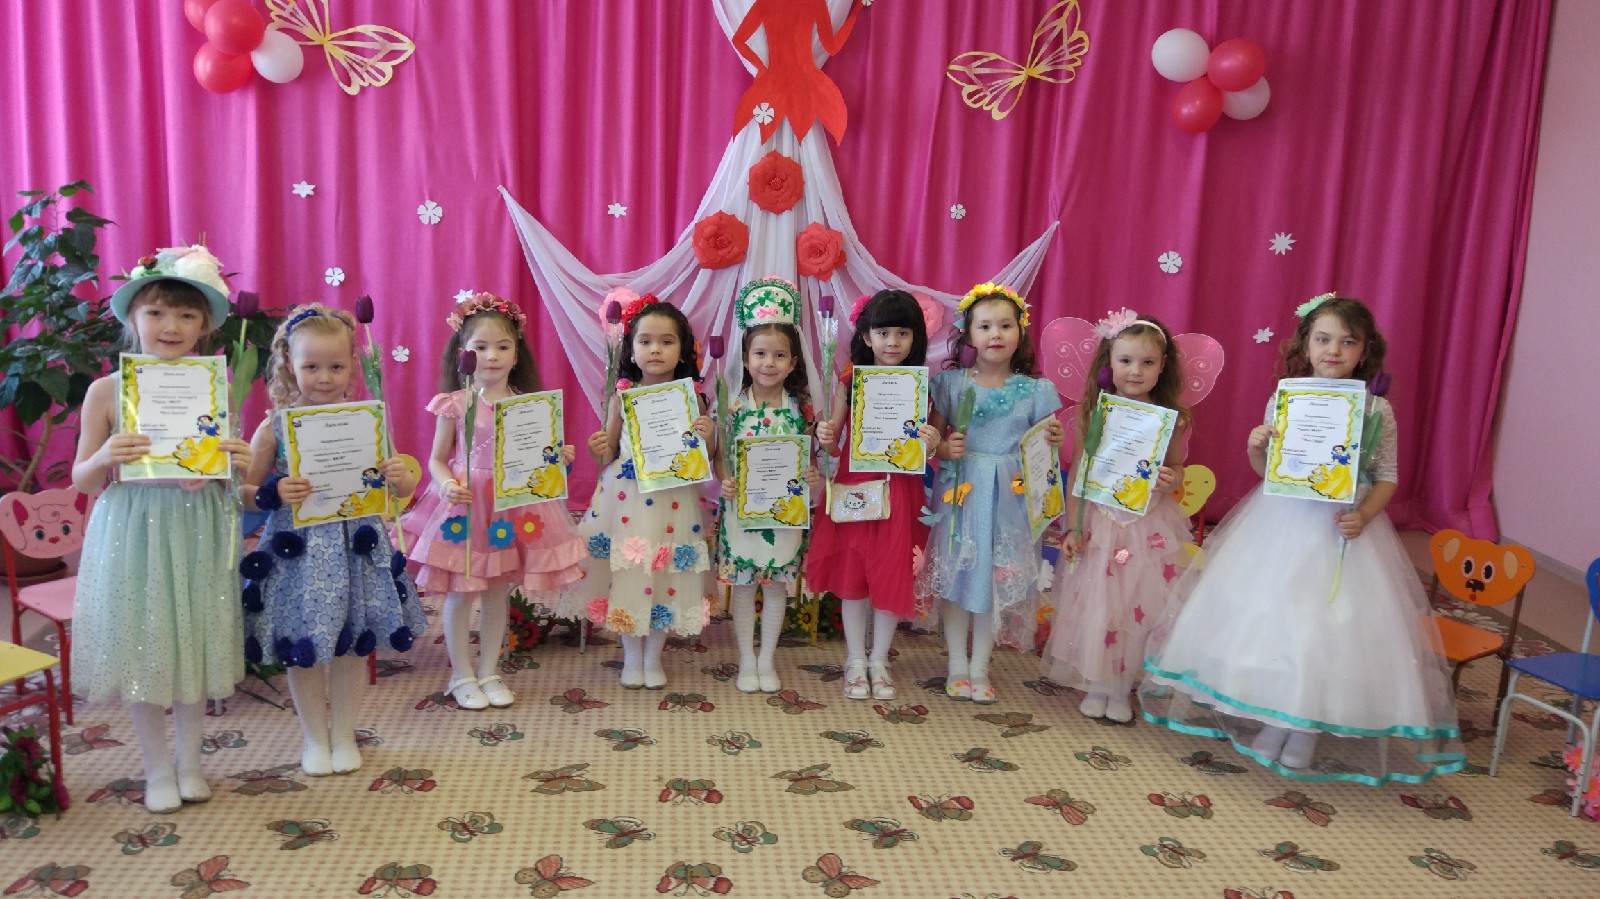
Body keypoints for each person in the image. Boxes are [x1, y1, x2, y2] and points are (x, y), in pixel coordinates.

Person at [1140, 294, 1466, 783]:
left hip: (1342, 529)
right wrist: (1256, 448)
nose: (1334, 350)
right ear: (1306, 346)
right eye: (1323, 339)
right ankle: (1276, 716)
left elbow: (1387, 477)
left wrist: (1365, 514)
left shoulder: (1376, 409)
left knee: (1326, 624)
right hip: (1283, 522)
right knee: (1277, 618)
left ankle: (1305, 728)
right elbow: (1271, 473)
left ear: (1364, 351)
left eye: (1347, 342)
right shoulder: (1286, 399)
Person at [70, 245, 253, 813]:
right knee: (144, 643)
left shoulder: (217, 387)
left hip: (198, 524)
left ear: (204, 326)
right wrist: (105, 456)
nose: (170, 326)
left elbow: (229, 476)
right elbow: (80, 478)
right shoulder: (106, 391)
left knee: (193, 641)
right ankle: (156, 769)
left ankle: (190, 763)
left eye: (186, 315)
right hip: (134, 528)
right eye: (155, 312)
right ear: (132, 317)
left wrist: (236, 461)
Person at [239, 304, 425, 775]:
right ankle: (314, 738)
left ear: (352, 366)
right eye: (312, 367)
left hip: (354, 547)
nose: (324, 378)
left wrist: (400, 476)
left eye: (336, 366)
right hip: (297, 553)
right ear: (290, 365)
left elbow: (400, 488)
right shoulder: (273, 426)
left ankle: (343, 733)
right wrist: (273, 492)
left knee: (353, 643)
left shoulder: (368, 422)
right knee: (302, 644)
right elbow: (243, 496)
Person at [403, 293, 586, 709]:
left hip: (510, 509)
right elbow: (436, 459)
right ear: (463, 352)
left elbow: (538, 461)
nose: (492, 356)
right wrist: (446, 484)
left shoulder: (529, 405)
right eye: (481, 347)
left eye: (503, 346)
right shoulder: (455, 404)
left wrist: (557, 457)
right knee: (462, 591)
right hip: (467, 508)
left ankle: (489, 670)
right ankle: (461, 674)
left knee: (497, 592)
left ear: (517, 353)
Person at [1043, 311, 1193, 723]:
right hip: (1102, 522)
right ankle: (1098, 683)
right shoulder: (1095, 412)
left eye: (1147, 362)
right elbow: (1079, 472)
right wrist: (1073, 526)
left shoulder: (1169, 418)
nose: (1135, 371)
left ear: (1162, 367)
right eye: (1125, 360)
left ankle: (1122, 686)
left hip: (1147, 526)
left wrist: (1171, 479)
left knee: (1135, 606)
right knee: (1100, 606)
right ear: (1109, 362)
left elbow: (1177, 466)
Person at [919, 283, 1062, 704]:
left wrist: (1054, 439)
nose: (995, 334)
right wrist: (943, 448)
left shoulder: (1036, 391)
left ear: (1020, 332)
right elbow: (932, 442)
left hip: (1008, 499)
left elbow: (1044, 450)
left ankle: (980, 666)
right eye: (984, 326)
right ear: (968, 334)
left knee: (993, 579)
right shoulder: (950, 384)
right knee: (958, 575)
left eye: (1005, 325)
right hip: (962, 493)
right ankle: (956, 666)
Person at [809, 289, 940, 701]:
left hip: (900, 489)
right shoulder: (851, 380)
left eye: (903, 333)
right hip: (857, 484)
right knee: (854, 573)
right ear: (867, 337)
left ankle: (880, 660)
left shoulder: (922, 386)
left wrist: (931, 442)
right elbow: (833, 440)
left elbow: (930, 450)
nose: (892, 342)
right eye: (883, 333)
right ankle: (855, 659)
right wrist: (824, 433)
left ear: (915, 338)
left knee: (891, 571)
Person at [580, 296, 716, 689]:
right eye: (645, 341)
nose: (655, 349)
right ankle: (631, 655)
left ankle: (653, 656)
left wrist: (708, 435)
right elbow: (608, 447)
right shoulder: (622, 396)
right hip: (627, 498)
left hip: (674, 499)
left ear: (683, 350)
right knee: (630, 572)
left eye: (666, 341)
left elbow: (705, 456)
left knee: (666, 575)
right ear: (631, 349)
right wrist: (596, 446)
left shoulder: (693, 398)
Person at [714, 277, 822, 694]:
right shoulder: (732, 406)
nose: (769, 363)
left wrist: (812, 474)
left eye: (779, 355)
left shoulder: (802, 409)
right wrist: (725, 480)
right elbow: (720, 452)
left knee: (777, 584)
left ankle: (767, 659)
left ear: (793, 362)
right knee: (744, 585)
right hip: (742, 511)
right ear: (745, 358)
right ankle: (746, 657)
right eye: (760, 354)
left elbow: (809, 456)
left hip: (784, 512)